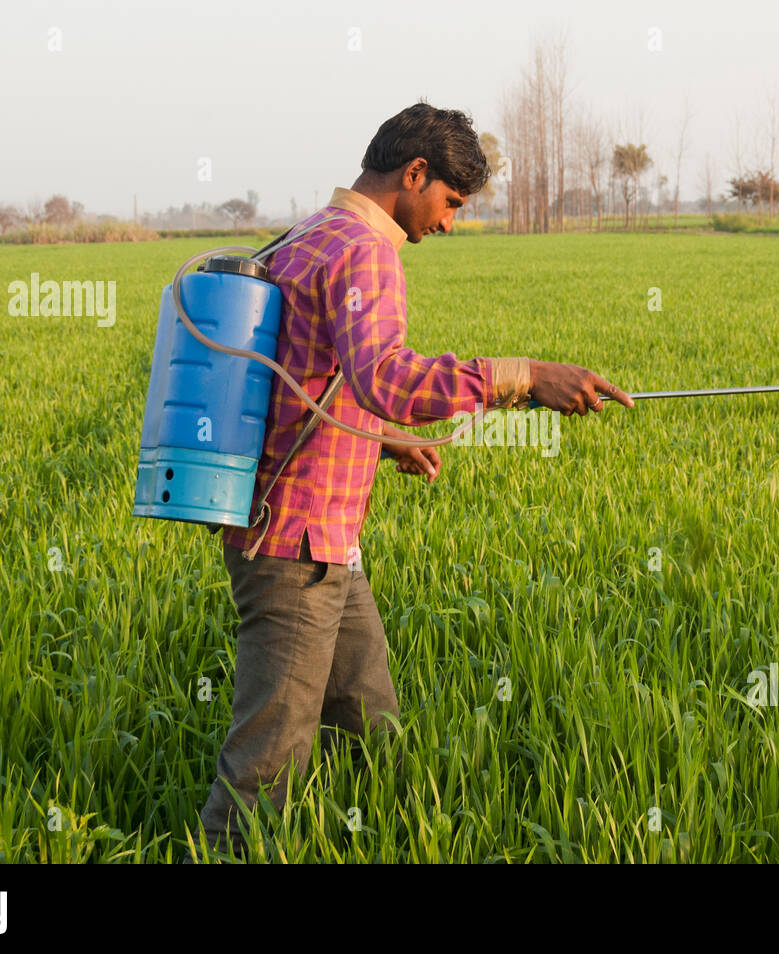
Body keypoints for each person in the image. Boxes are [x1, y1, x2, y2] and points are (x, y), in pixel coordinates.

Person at [188, 101, 632, 861]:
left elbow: (301, 377)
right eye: (451, 203)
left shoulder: (308, 233)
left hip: (321, 532)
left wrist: (383, 439)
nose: (450, 223)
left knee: (369, 719)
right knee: (267, 760)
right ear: (413, 174)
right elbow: (385, 376)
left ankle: (389, 833)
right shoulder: (365, 249)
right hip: (296, 543)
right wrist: (525, 377)